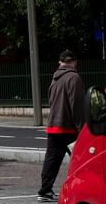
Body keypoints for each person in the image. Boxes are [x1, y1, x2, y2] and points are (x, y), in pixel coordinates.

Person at [37, 50, 85, 202]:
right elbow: (76, 105)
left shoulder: (55, 78)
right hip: (69, 127)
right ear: (75, 62)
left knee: (51, 160)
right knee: (82, 160)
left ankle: (44, 191)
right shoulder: (74, 77)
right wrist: (82, 127)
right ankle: (82, 190)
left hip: (53, 125)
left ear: (60, 63)